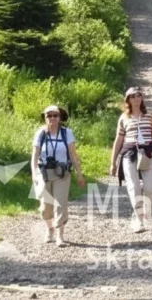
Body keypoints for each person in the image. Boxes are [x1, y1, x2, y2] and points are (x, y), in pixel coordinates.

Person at [110, 87, 152, 232]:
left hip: (148, 154)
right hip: (129, 154)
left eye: (138, 96)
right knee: (134, 187)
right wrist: (113, 162)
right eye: (133, 96)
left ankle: (147, 210)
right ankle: (138, 219)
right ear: (128, 100)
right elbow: (119, 140)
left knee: (150, 188)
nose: (136, 99)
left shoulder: (150, 116)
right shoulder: (124, 118)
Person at [31, 105, 86, 247]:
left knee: (61, 204)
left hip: (62, 173)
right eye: (49, 115)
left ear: (60, 117)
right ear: (44, 118)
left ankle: (60, 236)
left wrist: (79, 175)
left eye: (55, 115)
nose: (52, 118)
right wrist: (34, 174)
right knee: (45, 207)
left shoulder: (67, 133)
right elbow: (35, 155)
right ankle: (50, 228)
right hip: (44, 173)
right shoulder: (40, 134)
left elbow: (73, 155)